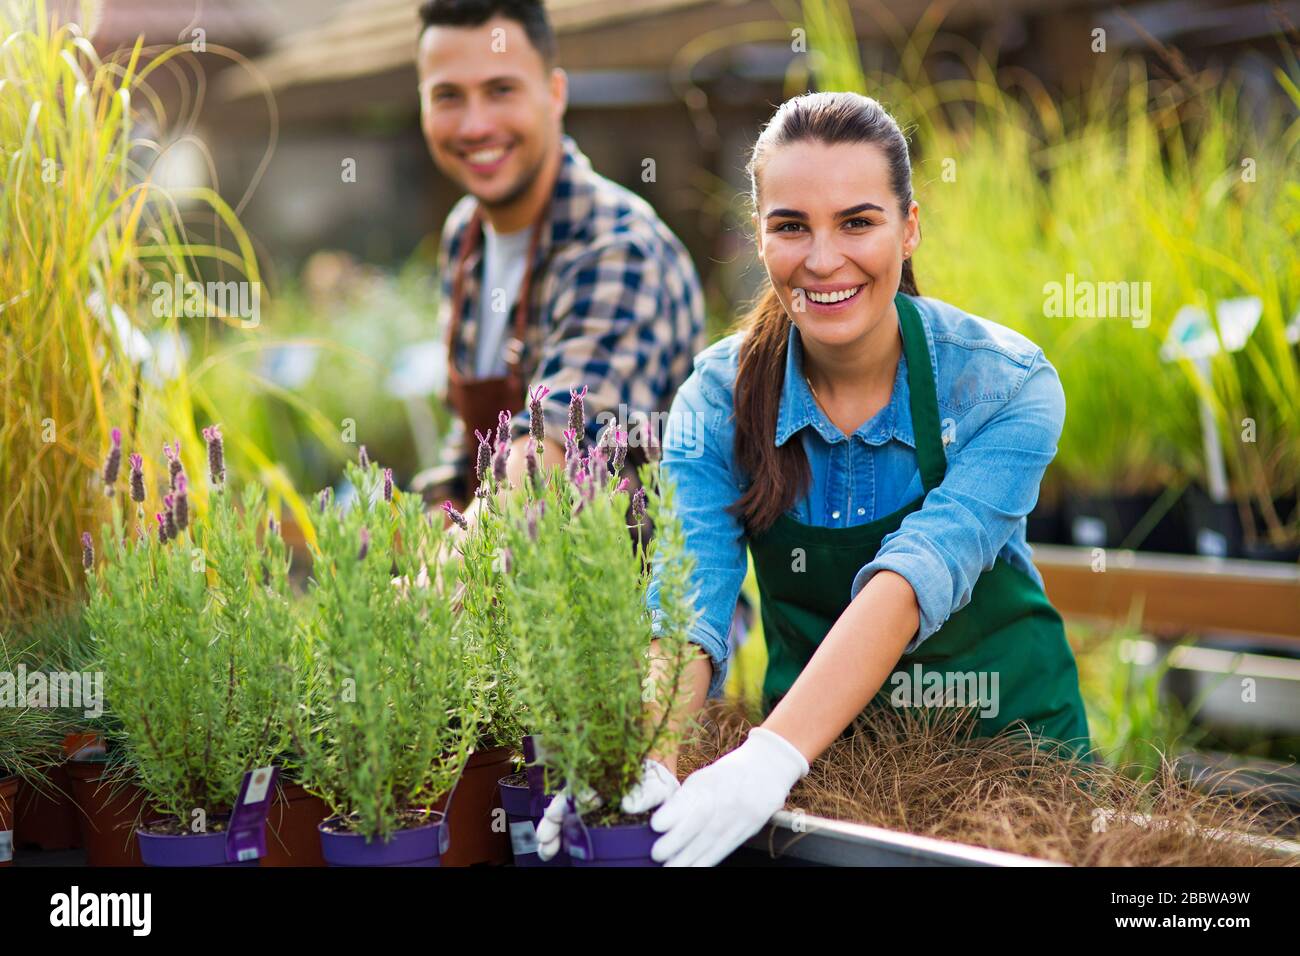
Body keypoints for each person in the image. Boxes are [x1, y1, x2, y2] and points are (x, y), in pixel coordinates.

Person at [537, 90, 1094, 866]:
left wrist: (768, 757)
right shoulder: (716, 400)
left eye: (857, 222)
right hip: (829, 783)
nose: (824, 260)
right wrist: (644, 757)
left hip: (1015, 779)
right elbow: (689, 597)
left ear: (909, 227)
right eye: (792, 226)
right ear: (759, 235)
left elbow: (912, 579)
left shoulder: (1003, 386)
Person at [413, 0, 705, 504]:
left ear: (554, 94)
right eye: (448, 96)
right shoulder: (465, 234)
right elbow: (470, 447)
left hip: (618, 554)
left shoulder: (618, 247)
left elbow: (551, 455)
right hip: (495, 544)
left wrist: (444, 554)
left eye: (501, 90)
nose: (475, 126)